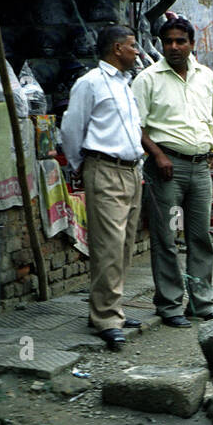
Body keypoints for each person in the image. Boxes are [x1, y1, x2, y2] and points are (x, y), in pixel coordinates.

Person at [133, 16, 213, 328]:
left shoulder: (206, 76)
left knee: (200, 237)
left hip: (200, 169)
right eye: (168, 41)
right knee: (166, 237)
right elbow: (134, 126)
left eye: (180, 41)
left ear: (191, 44)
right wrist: (158, 155)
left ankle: (202, 304)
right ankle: (170, 305)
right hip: (166, 170)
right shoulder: (148, 79)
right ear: (162, 45)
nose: (174, 47)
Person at [61, 24, 146, 351]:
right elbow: (71, 129)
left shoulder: (126, 84)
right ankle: (106, 317)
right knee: (108, 245)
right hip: (104, 169)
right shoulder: (90, 83)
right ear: (116, 49)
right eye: (132, 46)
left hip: (130, 171)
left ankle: (112, 309)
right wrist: (80, 166)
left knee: (124, 244)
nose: (137, 51)